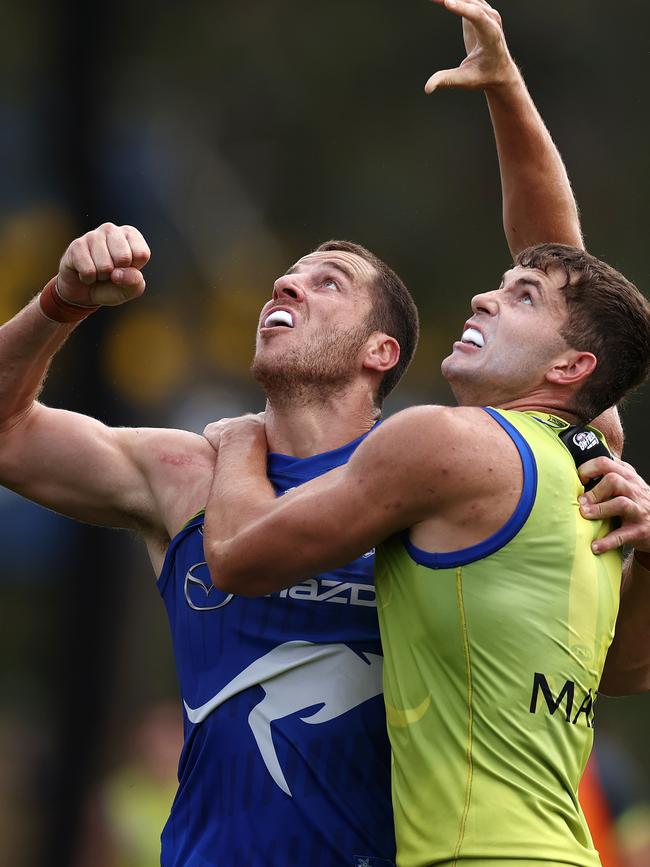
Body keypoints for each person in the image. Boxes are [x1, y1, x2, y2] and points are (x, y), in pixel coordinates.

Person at [0, 1, 639, 864]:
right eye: (284, 278)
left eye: (327, 281)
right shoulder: (182, 470)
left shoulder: (449, 467)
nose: (285, 288)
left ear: (385, 350)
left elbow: (567, 292)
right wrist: (59, 303)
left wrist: (507, 94)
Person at [202, 244, 650, 867]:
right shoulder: (593, 469)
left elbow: (233, 558)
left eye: (523, 297)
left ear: (572, 366)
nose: (483, 298)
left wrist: (241, 440)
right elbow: (623, 674)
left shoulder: (446, 439)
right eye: (502, 283)